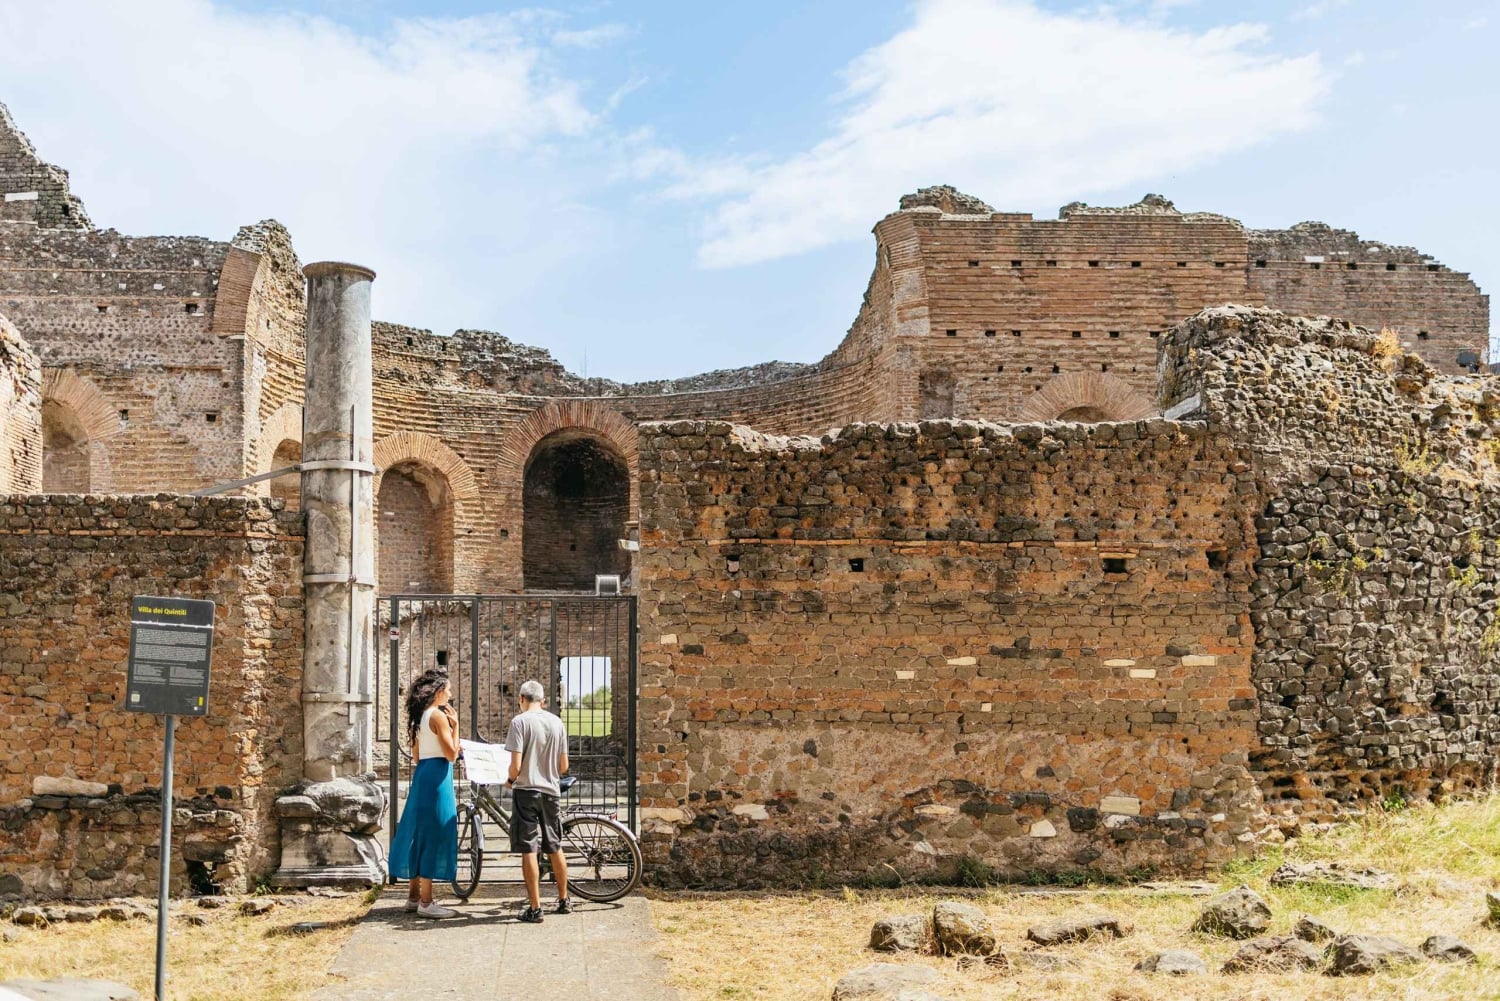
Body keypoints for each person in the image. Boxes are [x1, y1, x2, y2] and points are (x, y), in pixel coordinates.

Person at [390, 668, 461, 919]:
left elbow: (417, 755)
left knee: (419, 833)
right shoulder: (439, 717)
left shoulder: (419, 716)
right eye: (449, 690)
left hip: (423, 774)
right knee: (434, 833)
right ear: (439, 691)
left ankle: (412, 896)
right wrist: (456, 726)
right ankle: (427, 902)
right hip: (438, 776)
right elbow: (452, 754)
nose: (450, 695)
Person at [504, 678, 570, 923]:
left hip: (526, 791)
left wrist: (509, 780)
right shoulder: (557, 723)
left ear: (521, 699)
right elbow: (564, 766)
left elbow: (515, 766)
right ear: (542, 700)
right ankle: (564, 900)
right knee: (555, 844)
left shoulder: (519, 722)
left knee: (529, 848)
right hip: (551, 792)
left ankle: (535, 907)